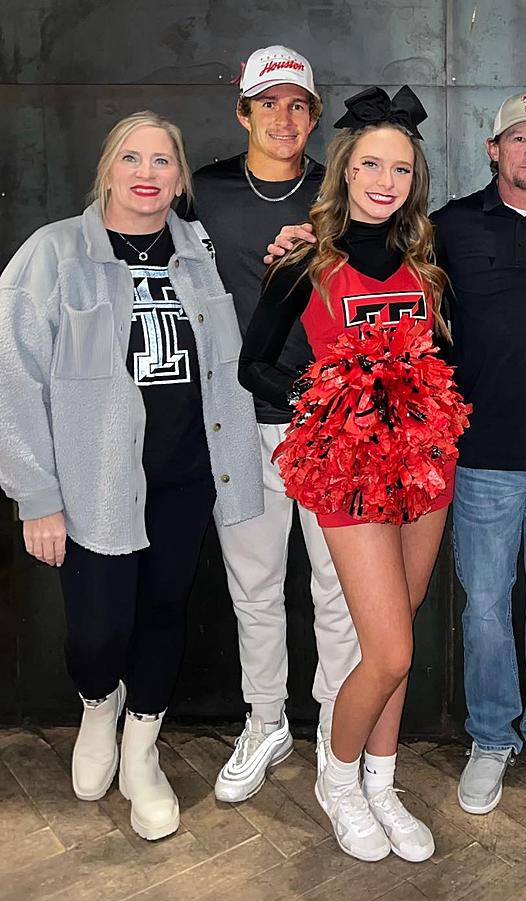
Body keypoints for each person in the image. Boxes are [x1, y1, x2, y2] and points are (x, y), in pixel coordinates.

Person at [266, 91, 526, 816]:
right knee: (483, 609)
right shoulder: (446, 231)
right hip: (473, 456)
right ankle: (490, 737)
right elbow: (343, 273)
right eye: (515, 138)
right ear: (492, 149)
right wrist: (333, 391)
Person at [0, 111, 263, 841]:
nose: (147, 174)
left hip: (184, 476)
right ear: (108, 168)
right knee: (98, 628)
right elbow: (11, 381)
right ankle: (98, 703)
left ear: (180, 178)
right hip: (93, 486)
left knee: (163, 612)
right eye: (132, 159)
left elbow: (225, 364)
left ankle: (143, 747)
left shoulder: (199, 254)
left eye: (162, 161)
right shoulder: (52, 255)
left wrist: (234, 471)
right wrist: (37, 496)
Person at [238, 85, 464, 864]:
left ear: (414, 180)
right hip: (348, 470)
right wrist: (327, 401)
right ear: (346, 168)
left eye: (400, 168)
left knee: (404, 625)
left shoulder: (427, 263)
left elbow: (446, 362)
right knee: (390, 650)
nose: (385, 179)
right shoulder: (305, 256)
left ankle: (383, 778)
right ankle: (337, 782)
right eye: (371, 163)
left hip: (427, 465)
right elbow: (254, 367)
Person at [188, 44, 359, 806]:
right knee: (254, 587)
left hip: (328, 420)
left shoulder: (343, 194)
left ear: (315, 116)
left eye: (298, 105)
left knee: (337, 588)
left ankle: (332, 725)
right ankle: (265, 720)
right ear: (244, 111)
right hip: (237, 420)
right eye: (269, 104)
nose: (284, 118)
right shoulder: (206, 190)